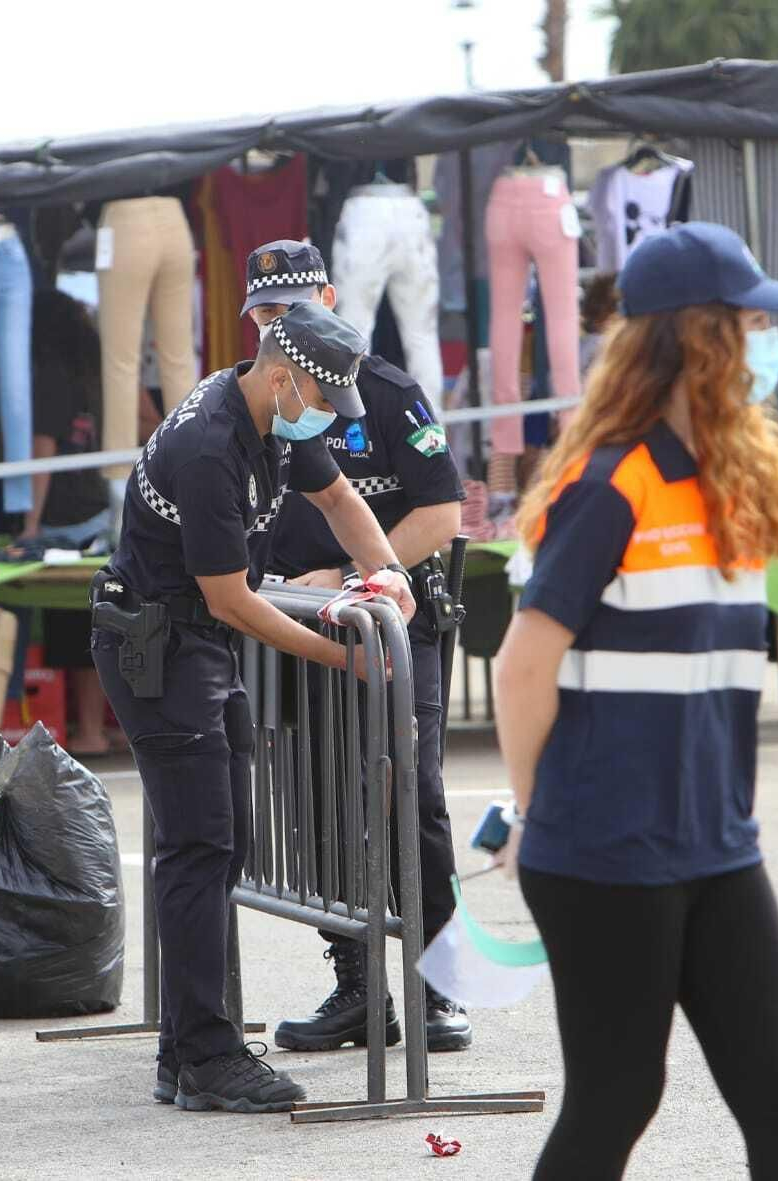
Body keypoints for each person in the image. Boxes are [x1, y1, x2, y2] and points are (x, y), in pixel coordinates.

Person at [491, 222, 778, 1180]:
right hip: (604, 849)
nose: (770, 344)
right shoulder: (612, 486)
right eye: (751, 324)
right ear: (701, 338)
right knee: (614, 1099)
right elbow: (521, 668)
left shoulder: (734, 482)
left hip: (716, 846)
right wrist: (533, 812)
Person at [92, 300, 418, 1114]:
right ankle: (205, 1053)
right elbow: (233, 599)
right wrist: (346, 655)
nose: (327, 423)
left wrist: (389, 577)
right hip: (163, 647)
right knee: (203, 847)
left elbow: (342, 502)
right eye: (320, 399)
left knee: (220, 842)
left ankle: (185, 1047)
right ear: (282, 375)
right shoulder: (212, 444)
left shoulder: (277, 421)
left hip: (193, 643)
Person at [243, 242, 472, 1054]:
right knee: (319, 806)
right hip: (301, 637)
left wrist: (345, 575)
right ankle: (358, 989)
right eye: (267, 314)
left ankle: (441, 988)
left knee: (413, 799)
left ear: (332, 297)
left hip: (392, 632)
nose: (282, 326)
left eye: (296, 306)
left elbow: (442, 515)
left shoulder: (384, 390)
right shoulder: (256, 402)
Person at [22, 290, 113, 757]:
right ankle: (94, 728)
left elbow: (43, 451)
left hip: (62, 516)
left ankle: (90, 730)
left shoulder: (48, 376)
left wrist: (30, 524)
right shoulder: (97, 371)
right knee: (97, 622)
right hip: (96, 506)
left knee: (71, 629)